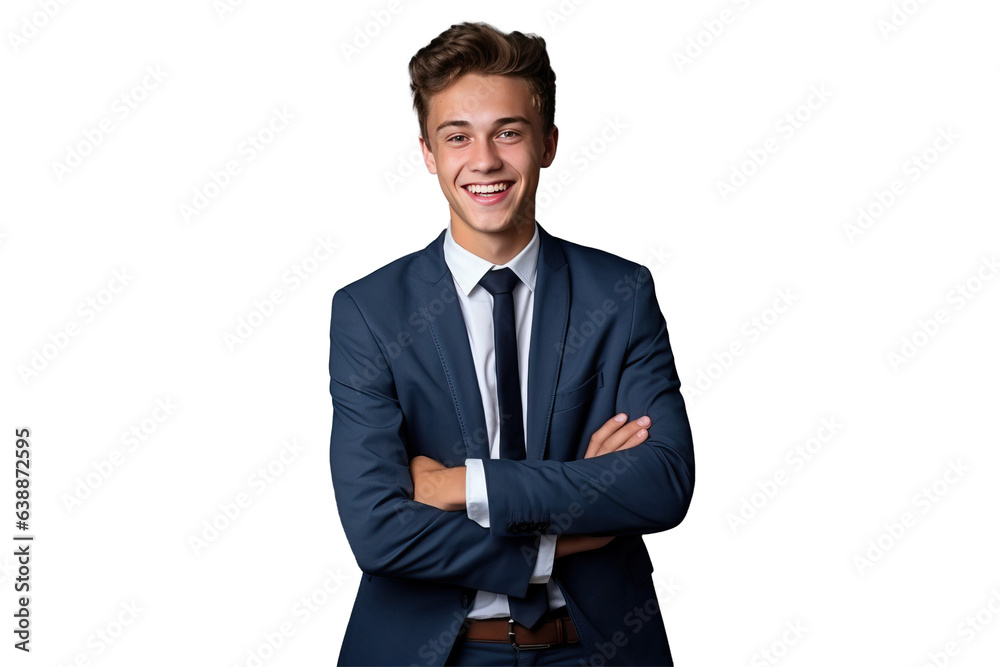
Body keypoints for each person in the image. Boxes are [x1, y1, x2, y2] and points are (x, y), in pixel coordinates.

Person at [328, 21, 694, 666]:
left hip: (596, 647)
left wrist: (459, 487)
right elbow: (377, 531)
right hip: (436, 653)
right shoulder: (369, 312)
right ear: (427, 153)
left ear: (547, 143)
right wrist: (561, 532)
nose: (485, 160)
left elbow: (662, 483)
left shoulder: (621, 293)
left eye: (508, 132)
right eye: (457, 136)